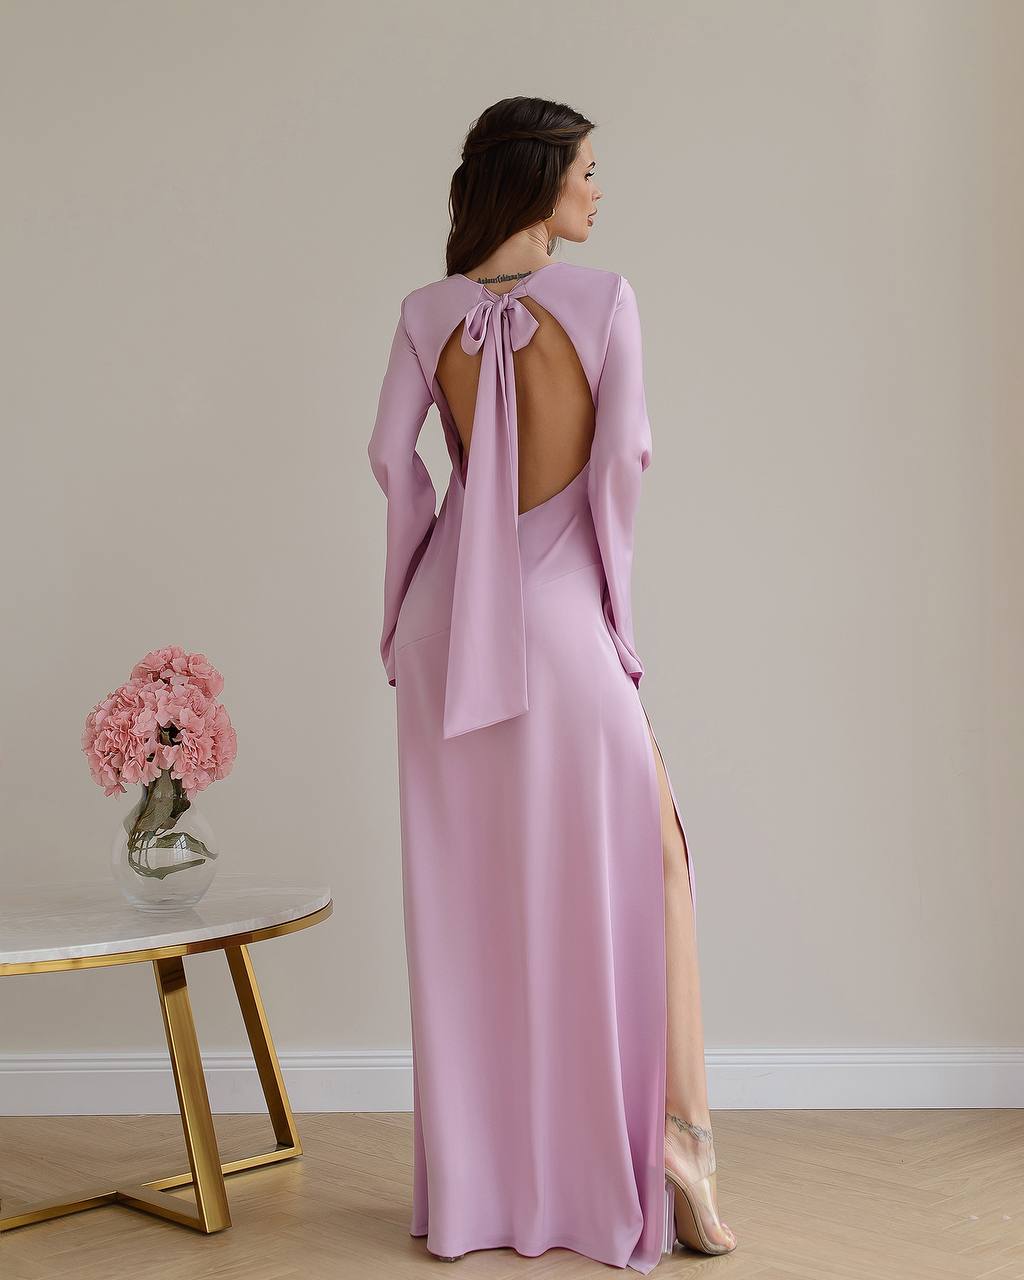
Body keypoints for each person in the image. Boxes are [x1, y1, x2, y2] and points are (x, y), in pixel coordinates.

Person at [368, 95, 737, 1272]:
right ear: (535, 182)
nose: (595, 190)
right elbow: (622, 462)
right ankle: (672, 1149)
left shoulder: (426, 314)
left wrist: (405, 613)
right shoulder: (603, 299)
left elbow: (394, 466)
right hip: (557, 611)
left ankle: (486, 1193)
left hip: (445, 623)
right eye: (585, 169)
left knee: (475, 901)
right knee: (640, 864)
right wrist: (615, 620)